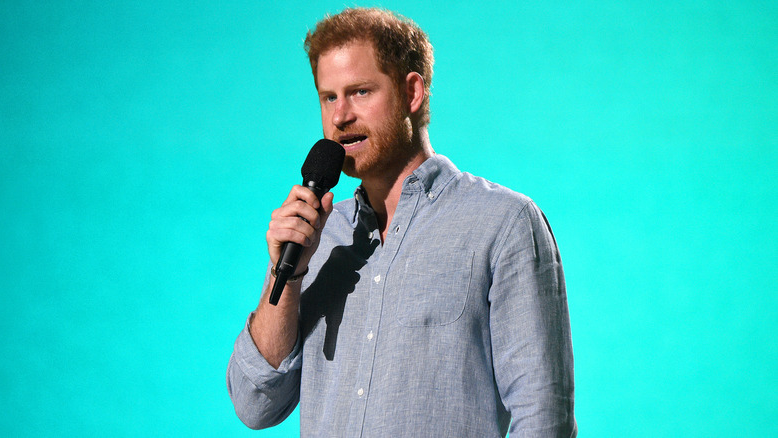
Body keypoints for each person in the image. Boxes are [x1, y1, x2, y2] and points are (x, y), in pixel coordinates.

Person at [227, 7, 576, 437]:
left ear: (412, 92)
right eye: (328, 97)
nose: (340, 117)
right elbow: (254, 405)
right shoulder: (316, 236)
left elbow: (543, 416)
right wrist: (291, 276)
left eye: (359, 92)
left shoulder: (502, 224)